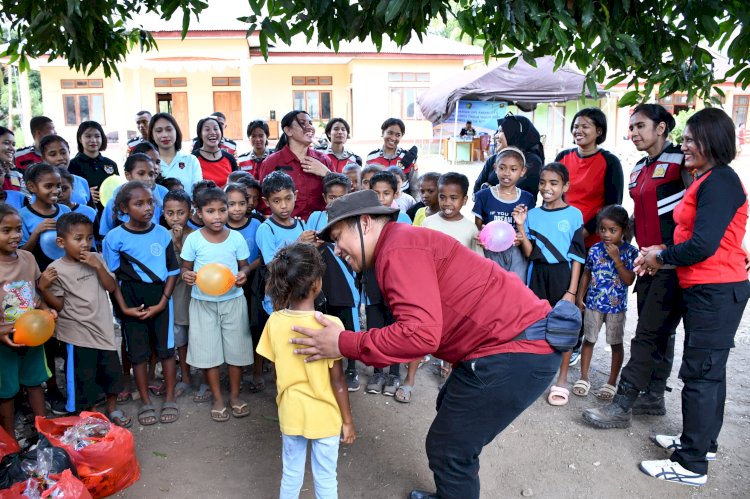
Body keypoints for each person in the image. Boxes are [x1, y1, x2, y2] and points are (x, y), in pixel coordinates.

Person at [289, 189, 574, 499]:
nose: (337, 249)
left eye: (338, 237)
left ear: (366, 223)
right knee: (449, 416)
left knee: (450, 448)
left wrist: (343, 343)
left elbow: (420, 334)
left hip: (515, 350)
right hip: (500, 343)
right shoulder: (398, 242)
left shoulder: (397, 250)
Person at [633, 108, 749, 487]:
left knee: (700, 374)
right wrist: (662, 247)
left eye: (690, 139)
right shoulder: (710, 179)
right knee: (708, 371)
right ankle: (700, 442)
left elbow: (702, 245)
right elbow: (693, 238)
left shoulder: (720, 182)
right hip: (708, 287)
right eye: (684, 139)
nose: (683, 146)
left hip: (716, 289)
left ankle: (691, 464)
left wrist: (660, 256)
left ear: (713, 141)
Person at [583, 104, 688, 428]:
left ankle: (624, 402)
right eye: (631, 128)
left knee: (646, 334)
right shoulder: (638, 168)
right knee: (658, 332)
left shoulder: (682, 162)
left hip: (671, 263)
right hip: (647, 263)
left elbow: (696, 208)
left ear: (661, 128)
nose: (634, 133)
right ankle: (654, 396)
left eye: (641, 126)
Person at [257, 242, 356, 498]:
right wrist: (347, 421)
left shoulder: (274, 322)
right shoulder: (331, 324)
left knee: (291, 474)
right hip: (326, 415)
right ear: (316, 284)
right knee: (325, 477)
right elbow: (338, 382)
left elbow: (277, 370)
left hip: (291, 412)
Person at [38, 213, 131, 427]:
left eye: (89, 238)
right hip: (77, 333)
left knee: (111, 372)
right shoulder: (56, 270)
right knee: (84, 378)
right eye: (78, 239)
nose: (85, 244)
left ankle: (112, 407)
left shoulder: (96, 259)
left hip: (103, 328)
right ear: (61, 242)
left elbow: (110, 287)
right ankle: (91, 414)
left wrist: (97, 266)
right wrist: (43, 288)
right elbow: (59, 306)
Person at [397, 173, 483, 403]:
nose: (447, 203)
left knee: (453, 336)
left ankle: (448, 379)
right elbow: (418, 256)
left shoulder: (471, 229)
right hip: (428, 288)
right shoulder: (428, 223)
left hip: (456, 293)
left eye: (453, 198)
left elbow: (477, 264)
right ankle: (409, 380)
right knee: (420, 330)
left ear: (465, 200)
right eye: (443, 196)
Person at [103, 181, 179, 426]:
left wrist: (163, 302)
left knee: (167, 351)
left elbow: (173, 271)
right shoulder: (114, 238)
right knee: (138, 354)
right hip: (130, 301)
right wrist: (124, 308)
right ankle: (145, 400)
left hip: (161, 299)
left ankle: (169, 396)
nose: (147, 208)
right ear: (124, 207)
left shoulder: (161, 234)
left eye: (150, 202)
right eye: (139, 203)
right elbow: (113, 278)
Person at [514, 162, 585, 406]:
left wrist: (572, 291)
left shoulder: (574, 215)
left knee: (565, 327)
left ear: (565, 186)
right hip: (537, 274)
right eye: (543, 183)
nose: (547, 188)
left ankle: (562, 379)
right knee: (535, 324)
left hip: (563, 276)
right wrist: (521, 226)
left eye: (554, 183)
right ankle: (532, 375)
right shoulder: (532, 215)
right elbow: (529, 252)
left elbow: (577, 256)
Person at [180, 187, 253, 422]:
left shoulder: (236, 238)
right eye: (210, 211)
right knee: (208, 351)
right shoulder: (193, 239)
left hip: (233, 301)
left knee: (237, 350)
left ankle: (234, 396)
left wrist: (243, 274)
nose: (218, 216)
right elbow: (185, 268)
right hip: (203, 303)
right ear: (199, 213)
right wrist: (186, 276)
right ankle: (217, 397)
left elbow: (244, 265)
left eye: (223, 210)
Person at [0, 204, 55, 444]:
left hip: (33, 336)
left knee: (35, 382)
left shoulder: (28, 257)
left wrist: (46, 311)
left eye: (18, 229)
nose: (15, 236)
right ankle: (10, 439)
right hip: (4, 340)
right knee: (7, 392)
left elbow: (35, 295)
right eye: (6, 230)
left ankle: (43, 431)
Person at [573, 205, 638, 400]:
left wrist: (617, 260)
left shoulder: (629, 252)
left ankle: (611, 382)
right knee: (589, 340)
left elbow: (629, 280)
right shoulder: (594, 250)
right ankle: (583, 377)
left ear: (624, 230)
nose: (606, 234)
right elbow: (587, 273)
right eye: (602, 229)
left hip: (616, 308)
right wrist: (579, 297)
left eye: (613, 230)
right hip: (593, 305)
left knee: (616, 343)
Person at [307, 173, 362, 391]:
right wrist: (314, 242)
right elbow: (307, 244)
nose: (336, 201)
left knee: (348, 322)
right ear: (324, 197)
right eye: (331, 197)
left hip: (346, 280)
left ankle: (352, 368)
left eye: (341, 197)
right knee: (323, 320)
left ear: (349, 195)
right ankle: (328, 364)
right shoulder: (315, 217)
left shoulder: (356, 219)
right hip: (321, 280)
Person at [473, 147, 535, 282]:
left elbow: (529, 230)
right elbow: (477, 227)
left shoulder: (527, 199)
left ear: (522, 171)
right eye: (502, 168)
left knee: (517, 289)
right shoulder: (483, 196)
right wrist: (481, 238)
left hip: (516, 252)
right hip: (490, 252)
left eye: (513, 169)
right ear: (495, 168)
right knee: (492, 288)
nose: (507, 173)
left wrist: (521, 237)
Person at [257, 110, 333, 220]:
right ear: (288, 131)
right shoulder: (271, 163)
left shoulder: (324, 160)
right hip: (287, 229)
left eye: (310, 123)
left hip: (321, 228)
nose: (309, 127)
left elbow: (339, 194)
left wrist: (327, 173)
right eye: (303, 123)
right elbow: (264, 204)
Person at [160, 189, 195, 400]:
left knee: (196, 335)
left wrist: (180, 242)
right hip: (173, 295)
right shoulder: (161, 235)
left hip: (192, 293)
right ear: (163, 213)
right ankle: (186, 376)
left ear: (190, 212)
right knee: (179, 337)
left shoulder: (195, 235)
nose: (175, 218)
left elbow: (191, 265)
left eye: (180, 213)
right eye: (170, 213)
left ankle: (199, 375)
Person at [472, 114, 544, 200]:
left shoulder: (532, 162)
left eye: (501, 131)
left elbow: (524, 195)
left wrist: (488, 189)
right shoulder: (493, 159)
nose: (496, 136)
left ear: (514, 133)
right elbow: (477, 191)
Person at [99, 153, 168, 237]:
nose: (148, 178)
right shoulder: (113, 203)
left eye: (151, 174)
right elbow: (104, 235)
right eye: (141, 173)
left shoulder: (160, 200)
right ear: (128, 175)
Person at [20, 163, 71, 272]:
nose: (56, 191)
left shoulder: (65, 210)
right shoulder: (22, 216)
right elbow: (21, 255)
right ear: (31, 186)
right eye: (48, 186)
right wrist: (37, 232)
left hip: (67, 271)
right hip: (39, 274)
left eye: (58, 186)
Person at [67, 121, 118, 210]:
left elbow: (117, 187)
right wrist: (86, 194)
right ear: (80, 139)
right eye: (88, 136)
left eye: (97, 136)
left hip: (109, 212)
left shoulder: (111, 164)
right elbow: (68, 192)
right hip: (84, 214)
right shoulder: (72, 165)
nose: (93, 140)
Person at [149, 112, 203, 193]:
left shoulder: (191, 160)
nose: (165, 135)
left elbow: (198, 194)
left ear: (176, 131)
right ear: (152, 135)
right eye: (159, 131)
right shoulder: (148, 162)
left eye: (169, 129)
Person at [366, 118, 418, 197]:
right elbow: (367, 183)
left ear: (402, 136)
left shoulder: (408, 157)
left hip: (403, 203)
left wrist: (416, 207)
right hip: (379, 201)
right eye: (390, 133)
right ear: (383, 132)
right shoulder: (371, 157)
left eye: (398, 135)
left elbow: (415, 188)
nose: (393, 138)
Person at [39, 135, 91, 207]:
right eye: (53, 155)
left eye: (63, 153)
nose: (60, 158)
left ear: (69, 152)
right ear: (43, 158)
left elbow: (91, 211)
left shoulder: (82, 181)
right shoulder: (39, 186)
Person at [193, 116, 238, 188]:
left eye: (216, 129)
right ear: (200, 134)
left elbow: (236, 185)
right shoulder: (193, 159)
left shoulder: (230, 158)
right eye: (207, 129)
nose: (213, 132)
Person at [1, 127, 24, 193]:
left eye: (13, 145)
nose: (12, 149)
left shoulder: (15, 175)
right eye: (6, 143)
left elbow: (27, 200)